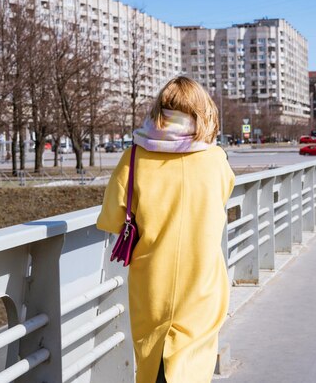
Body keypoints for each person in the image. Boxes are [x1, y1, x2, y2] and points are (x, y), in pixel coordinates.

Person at [97, 76, 235, 383]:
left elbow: (112, 219)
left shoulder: (133, 158)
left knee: (151, 363)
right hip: (203, 280)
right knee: (192, 367)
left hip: (152, 283)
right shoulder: (216, 160)